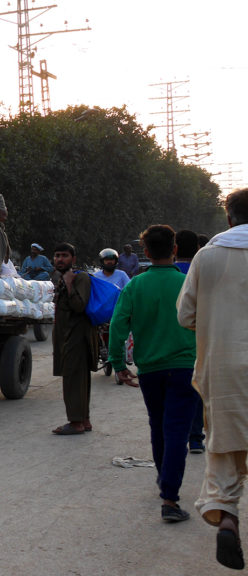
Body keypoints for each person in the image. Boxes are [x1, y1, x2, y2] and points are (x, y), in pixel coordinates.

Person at [177, 188, 248, 570]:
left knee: (224, 449)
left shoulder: (208, 256)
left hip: (223, 369)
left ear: (228, 218)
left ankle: (228, 518)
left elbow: (185, 316)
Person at [108, 225, 197, 523]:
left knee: (158, 427)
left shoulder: (135, 286)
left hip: (150, 371)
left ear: (145, 253)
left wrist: (118, 364)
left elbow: (118, 326)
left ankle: (165, 480)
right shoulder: (188, 283)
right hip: (186, 368)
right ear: (174, 250)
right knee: (176, 431)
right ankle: (169, 498)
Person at [51, 243, 97, 435]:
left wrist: (69, 284)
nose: (60, 259)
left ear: (73, 259)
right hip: (66, 335)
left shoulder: (81, 278)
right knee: (78, 379)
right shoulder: (59, 278)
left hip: (77, 336)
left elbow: (79, 306)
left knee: (73, 380)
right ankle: (84, 420)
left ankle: (76, 422)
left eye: (64, 256)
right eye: (57, 255)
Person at [174, 229, 206, 454]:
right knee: (196, 395)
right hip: (197, 347)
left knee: (171, 399)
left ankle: (174, 440)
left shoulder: (156, 276)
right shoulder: (202, 275)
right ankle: (195, 439)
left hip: (164, 350)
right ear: (197, 249)